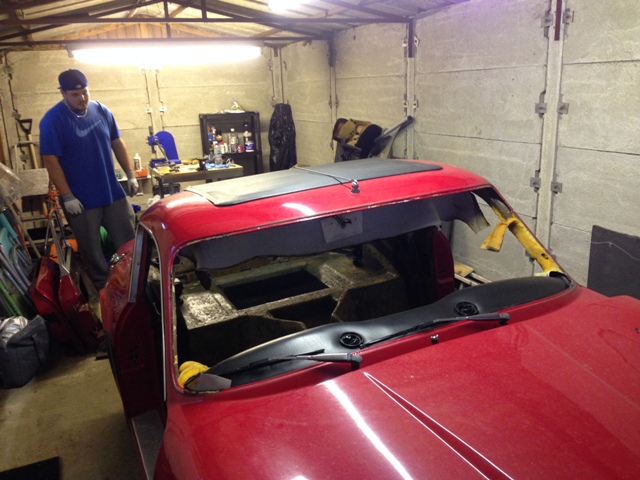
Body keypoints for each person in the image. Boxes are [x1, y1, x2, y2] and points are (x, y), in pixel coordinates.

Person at [40, 69, 139, 291]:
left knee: (129, 244)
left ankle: (134, 284)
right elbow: (50, 160)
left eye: (85, 92)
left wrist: (130, 174)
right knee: (93, 253)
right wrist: (67, 196)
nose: (82, 98)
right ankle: (105, 293)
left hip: (111, 193)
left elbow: (117, 142)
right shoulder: (52, 121)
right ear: (63, 93)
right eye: (75, 94)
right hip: (81, 200)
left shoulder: (101, 111)